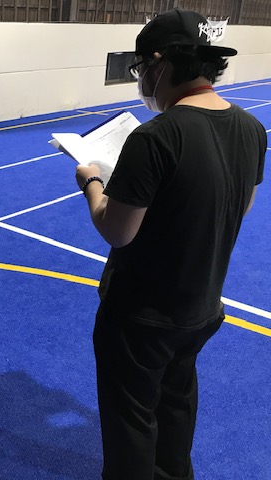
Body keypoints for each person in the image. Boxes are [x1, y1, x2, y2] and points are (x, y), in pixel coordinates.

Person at [74, 9, 266, 480]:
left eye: (142, 68)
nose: (142, 80)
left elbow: (117, 230)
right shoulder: (251, 128)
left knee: (131, 421)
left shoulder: (156, 136)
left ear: (160, 65)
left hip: (142, 314)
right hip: (201, 306)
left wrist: (92, 182)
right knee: (176, 405)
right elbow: (238, 207)